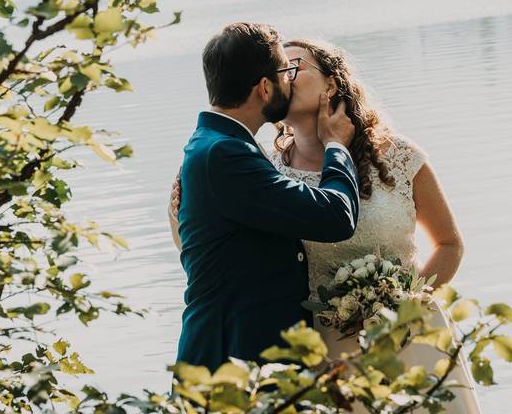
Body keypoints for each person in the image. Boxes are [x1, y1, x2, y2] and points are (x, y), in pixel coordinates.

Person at [171, 35, 480, 412]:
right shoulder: (260, 167)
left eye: (294, 66)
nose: (285, 74)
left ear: (332, 84)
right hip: (322, 353)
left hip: (406, 338)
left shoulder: (400, 157)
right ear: (265, 87)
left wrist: (404, 308)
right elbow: (217, 249)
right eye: (281, 68)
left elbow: (449, 244)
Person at [174, 23, 360, 372]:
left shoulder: (219, 145)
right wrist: (335, 145)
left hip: (244, 358)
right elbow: (336, 217)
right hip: (228, 362)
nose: (290, 80)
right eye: (285, 72)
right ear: (263, 87)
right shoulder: (224, 155)